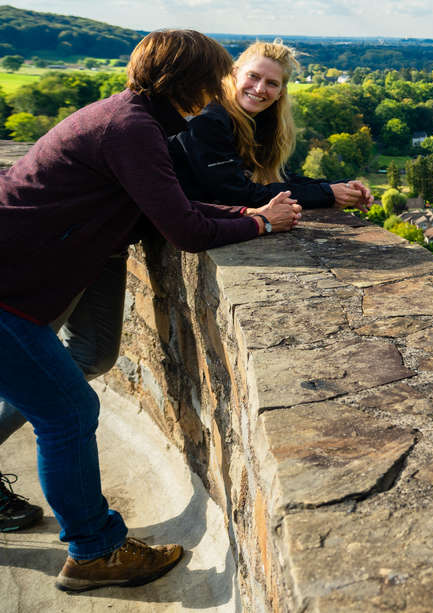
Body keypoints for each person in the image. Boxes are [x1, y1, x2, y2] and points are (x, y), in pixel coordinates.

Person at [0, 30, 301, 592]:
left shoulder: (134, 121)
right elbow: (185, 229)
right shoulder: (131, 129)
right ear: (187, 81)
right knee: (67, 413)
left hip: (16, 280)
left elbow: (170, 203)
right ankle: (95, 553)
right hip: (7, 290)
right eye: (213, 78)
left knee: (70, 381)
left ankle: (93, 546)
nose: (219, 89)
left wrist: (249, 208)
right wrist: (260, 223)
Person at [170, 40, 371, 212]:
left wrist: (339, 188)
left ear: (281, 92)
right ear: (234, 74)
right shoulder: (207, 119)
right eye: (253, 76)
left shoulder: (256, 121)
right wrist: (327, 194)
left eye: (272, 83)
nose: (259, 89)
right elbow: (236, 193)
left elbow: (279, 178)